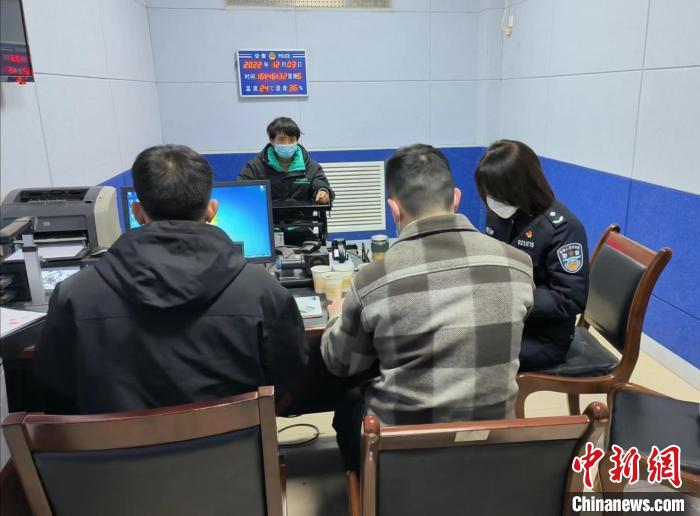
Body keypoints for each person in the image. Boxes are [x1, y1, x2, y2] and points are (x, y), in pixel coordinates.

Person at [34, 145, 308, 415]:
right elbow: (289, 380)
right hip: (234, 444)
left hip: (112, 445)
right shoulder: (263, 290)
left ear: (138, 213)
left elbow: (56, 392)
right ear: (211, 210)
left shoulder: (73, 295)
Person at [321, 144, 534, 470]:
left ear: (394, 209)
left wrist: (336, 315)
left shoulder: (371, 279)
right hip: (492, 451)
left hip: (404, 460)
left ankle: (364, 485)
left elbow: (341, 363)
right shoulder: (518, 265)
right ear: (456, 198)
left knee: (348, 404)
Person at [474, 140, 589, 371]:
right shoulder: (502, 212)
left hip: (542, 338)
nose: (491, 200)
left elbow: (569, 300)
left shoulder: (563, 228)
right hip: (506, 321)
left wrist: (511, 296)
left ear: (520, 187)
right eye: (488, 193)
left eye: (496, 193)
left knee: (468, 354)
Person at [239, 117, 333, 205]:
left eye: (292, 140)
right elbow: (242, 191)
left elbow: (320, 184)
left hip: (302, 216)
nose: (287, 144)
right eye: (281, 140)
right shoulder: (255, 167)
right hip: (267, 216)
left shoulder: (310, 166)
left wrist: (323, 192)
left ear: (297, 141)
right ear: (272, 141)